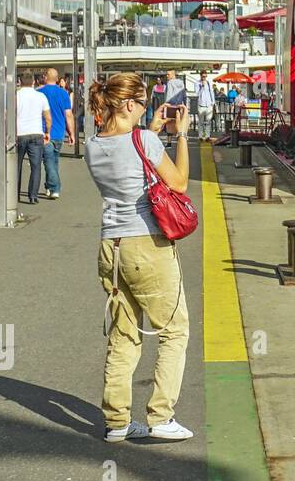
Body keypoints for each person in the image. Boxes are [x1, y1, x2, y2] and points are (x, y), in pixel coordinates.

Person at [85, 72, 193, 443]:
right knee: (174, 330)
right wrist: (180, 134)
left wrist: (149, 126)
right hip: (146, 245)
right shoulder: (145, 140)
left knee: (124, 333)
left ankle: (117, 422)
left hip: (110, 246)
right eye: (144, 103)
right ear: (130, 104)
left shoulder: (93, 144)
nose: (147, 109)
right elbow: (178, 182)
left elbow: (125, 165)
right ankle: (161, 417)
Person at [16, 71, 51, 204]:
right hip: (36, 134)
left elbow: (7, 116)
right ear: (33, 82)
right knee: (36, 166)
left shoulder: (15, 96)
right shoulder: (41, 96)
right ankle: (33, 196)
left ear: (19, 82)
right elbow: (48, 117)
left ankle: (15, 194)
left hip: (19, 134)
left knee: (16, 166)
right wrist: (47, 132)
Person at [38, 67, 73, 199]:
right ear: (57, 79)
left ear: (45, 77)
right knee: (53, 161)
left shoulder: (39, 93)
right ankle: (49, 186)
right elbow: (68, 115)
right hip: (59, 133)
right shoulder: (63, 93)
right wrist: (71, 134)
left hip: (44, 132)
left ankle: (54, 188)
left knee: (49, 162)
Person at [196, 72, 216, 139]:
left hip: (209, 105)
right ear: (200, 76)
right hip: (201, 105)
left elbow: (211, 93)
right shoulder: (197, 83)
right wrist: (202, 86)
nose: (204, 78)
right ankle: (200, 135)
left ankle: (207, 135)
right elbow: (197, 93)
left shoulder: (208, 83)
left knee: (208, 121)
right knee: (200, 121)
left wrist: (213, 103)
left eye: (205, 76)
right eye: (203, 76)